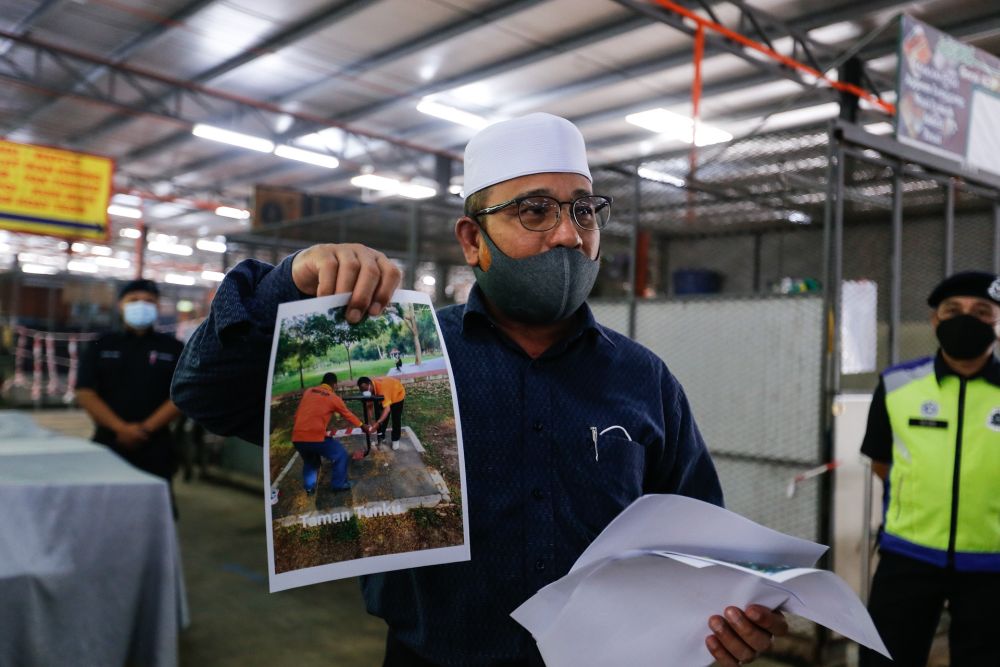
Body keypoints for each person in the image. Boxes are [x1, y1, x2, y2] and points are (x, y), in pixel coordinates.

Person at [172, 112, 786, 666]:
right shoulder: (403, 356)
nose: (570, 236)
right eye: (536, 211)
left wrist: (731, 614)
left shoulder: (643, 379)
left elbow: (702, 542)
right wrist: (285, 285)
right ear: (472, 240)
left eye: (583, 210)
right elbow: (204, 393)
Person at [859, 271, 1000, 666]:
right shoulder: (897, 385)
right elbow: (882, 463)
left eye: (982, 311)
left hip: (992, 562)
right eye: (952, 310)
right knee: (885, 657)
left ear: (997, 322)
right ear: (936, 320)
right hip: (908, 556)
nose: (965, 318)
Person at [76, 279, 184, 507]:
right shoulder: (101, 345)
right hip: (108, 443)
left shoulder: (173, 348)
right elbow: (85, 392)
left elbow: (181, 395)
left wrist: (145, 429)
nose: (141, 305)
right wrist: (120, 428)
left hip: (156, 446)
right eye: (134, 300)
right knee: (103, 509)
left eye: (148, 301)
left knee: (154, 511)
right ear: (121, 305)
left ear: (157, 307)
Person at [291, 372, 370, 494]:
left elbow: (297, 414)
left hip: (297, 437)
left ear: (322, 382)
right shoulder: (333, 398)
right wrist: (362, 425)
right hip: (315, 437)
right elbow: (348, 414)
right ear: (334, 384)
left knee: (310, 462)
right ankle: (339, 484)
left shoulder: (309, 391)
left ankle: (309, 488)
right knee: (340, 455)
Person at [357, 375, 405, 450]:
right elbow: (369, 407)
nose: (365, 392)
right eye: (362, 391)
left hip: (397, 395)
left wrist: (378, 423)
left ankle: (395, 439)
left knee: (396, 418)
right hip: (385, 395)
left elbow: (387, 409)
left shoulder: (382, 388)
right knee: (382, 417)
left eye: (366, 389)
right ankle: (381, 437)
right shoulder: (370, 391)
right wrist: (372, 422)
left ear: (370, 384)